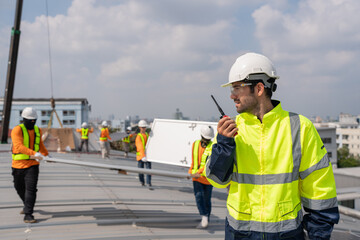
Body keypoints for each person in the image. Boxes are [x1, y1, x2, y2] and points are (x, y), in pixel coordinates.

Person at [205, 52, 339, 239]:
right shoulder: (229, 132)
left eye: (237, 88)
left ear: (259, 88)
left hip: (287, 235)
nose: (231, 96)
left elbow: (319, 190)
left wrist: (319, 236)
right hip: (240, 234)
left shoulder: (300, 128)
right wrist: (224, 145)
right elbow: (215, 180)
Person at [11, 107, 49, 223]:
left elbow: (40, 144)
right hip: (18, 165)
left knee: (31, 190)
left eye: (34, 120)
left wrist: (47, 155)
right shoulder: (17, 130)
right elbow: (18, 146)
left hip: (32, 165)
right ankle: (27, 204)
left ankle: (28, 214)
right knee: (19, 188)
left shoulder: (38, 130)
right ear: (24, 119)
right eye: (30, 120)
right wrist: (34, 153)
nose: (32, 122)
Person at [189, 125, 214, 229]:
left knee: (207, 200)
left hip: (207, 178)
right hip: (197, 178)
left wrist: (198, 172)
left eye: (208, 139)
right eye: (205, 139)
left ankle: (206, 217)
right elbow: (194, 161)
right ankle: (204, 217)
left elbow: (209, 163)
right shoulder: (195, 144)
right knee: (199, 197)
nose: (206, 141)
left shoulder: (213, 146)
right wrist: (190, 172)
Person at [135, 120, 151, 187]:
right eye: (142, 127)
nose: (143, 128)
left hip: (147, 156)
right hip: (141, 156)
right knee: (140, 171)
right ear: (139, 127)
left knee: (148, 171)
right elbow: (140, 147)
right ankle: (142, 182)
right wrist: (143, 156)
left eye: (144, 127)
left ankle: (148, 182)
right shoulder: (138, 136)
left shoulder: (148, 135)